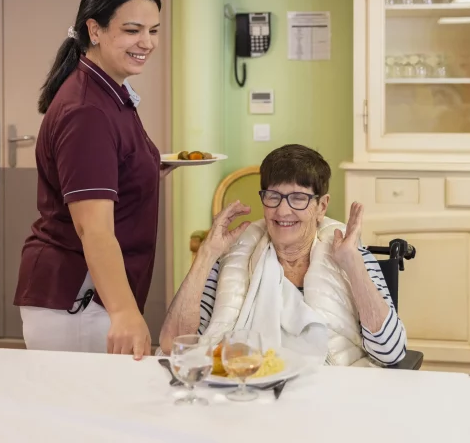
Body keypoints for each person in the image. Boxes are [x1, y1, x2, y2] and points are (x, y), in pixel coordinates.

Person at [15, 0, 171, 359]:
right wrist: (124, 312)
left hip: (88, 295)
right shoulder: (87, 109)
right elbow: (92, 228)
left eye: (154, 30)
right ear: (95, 30)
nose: (146, 43)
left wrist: (149, 168)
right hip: (79, 299)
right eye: (132, 30)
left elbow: (111, 164)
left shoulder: (109, 89)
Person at [159, 144, 407, 366]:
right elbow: (174, 345)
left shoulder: (349, 249)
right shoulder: (233, 254)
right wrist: (207, 254)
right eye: (273, 197)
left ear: (321, 206)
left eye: (298, 198)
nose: (283, 210)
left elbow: (391, 352)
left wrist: (353, 264)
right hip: (245, 386)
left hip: (329, 394)